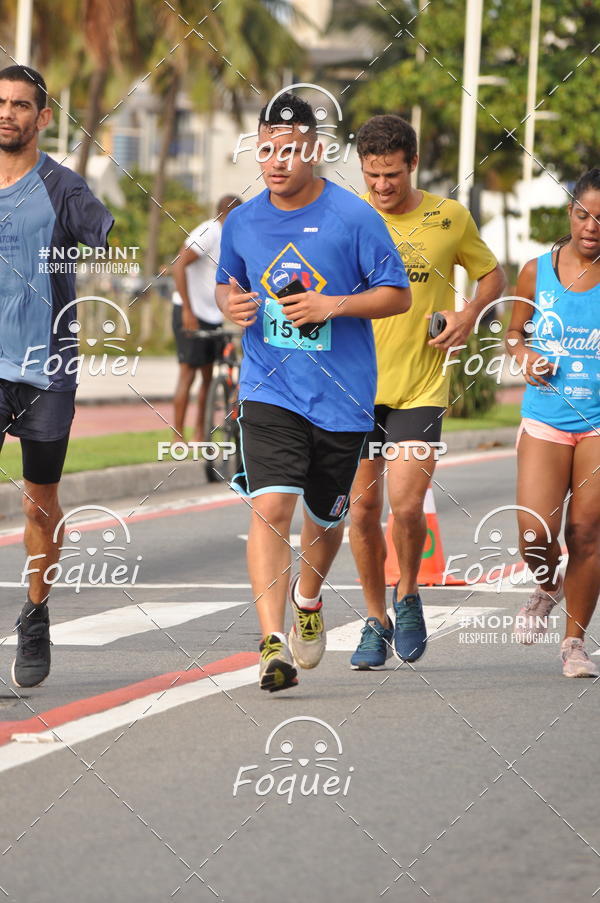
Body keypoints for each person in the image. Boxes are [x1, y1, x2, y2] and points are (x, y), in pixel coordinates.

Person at [216, 94, 411, 692]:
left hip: (341, 396)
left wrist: (333, 305)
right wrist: (232, 305)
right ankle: (271, 643)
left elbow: (397, 295)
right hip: (269, 388)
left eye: (290, 150)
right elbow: (226, 285)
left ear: (315, 151)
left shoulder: (354, 217)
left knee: (324, 519)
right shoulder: (242, 221)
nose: (276, 162)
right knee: (271, 507)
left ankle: (308, 599)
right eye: (266, 149)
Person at [348, 114, 505, 669]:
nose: (382, 186)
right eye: (372, 175)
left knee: (407, 504)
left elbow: (491, 275)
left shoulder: (449, 217)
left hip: (420, 385)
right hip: (354, 389)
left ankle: (409, 591)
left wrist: (469, 314)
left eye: (392, 174)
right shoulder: (348, 216)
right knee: (362, 512)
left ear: (413, 163)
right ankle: (375, 619)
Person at [0, 66, 114, 688]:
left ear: (42, 118)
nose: (7, 113)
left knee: (39, 504)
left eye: (21, 105)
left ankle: (36, 611)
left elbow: (103, 236)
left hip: (47, 370)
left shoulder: (62, 187)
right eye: (0, 102)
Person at [507, 168, 600, 677]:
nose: (591, 227)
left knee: (585, 531)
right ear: (571, 212)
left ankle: (574, 644)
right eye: (583, 214)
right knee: (534, 531)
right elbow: (513, 332)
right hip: (546, 417)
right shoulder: (535, 272)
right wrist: (523, 355)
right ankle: (547, 584)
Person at [171, 195, 241, 441]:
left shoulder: (231, 238)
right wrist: (187, 311)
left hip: (212, 314)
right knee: (188, 373)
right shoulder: (209, 231)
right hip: (190, 311)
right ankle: (178, 437)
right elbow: (178, 265)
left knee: (208, 377)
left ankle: (201, 433)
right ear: (227, 215)